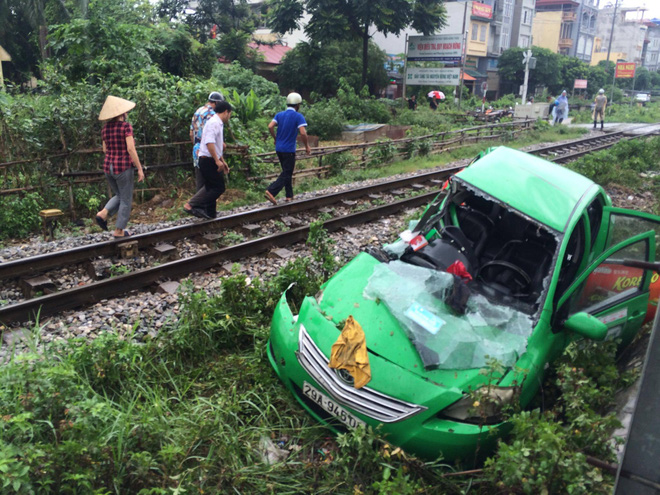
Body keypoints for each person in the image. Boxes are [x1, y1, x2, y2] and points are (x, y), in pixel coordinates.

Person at [95, 96, 145, 238]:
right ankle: (119, 230)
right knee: (126, 199)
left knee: (119, 195)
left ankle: (103, 214)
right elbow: (131, 149)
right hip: (123, 167)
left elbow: (105, 149)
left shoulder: (105, 129)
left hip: (108, 167)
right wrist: (139, 168)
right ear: (121, 113)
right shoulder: (126, 127)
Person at [184, 100, 233, 219]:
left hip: (210, 158)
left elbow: (217, 144)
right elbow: (209, 142)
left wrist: (222, 160)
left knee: (211, 186)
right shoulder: (214, 123)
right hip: (208, 159)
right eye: (230, 114)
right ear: (226, 112)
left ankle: (210, 214)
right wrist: (217, 160)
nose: (229, 117)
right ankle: (192, 204)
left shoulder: (218, 123)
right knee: (218, 187)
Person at [264, 92, 311, 205]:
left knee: (286, 171)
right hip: (289, 149)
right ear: (297, 105)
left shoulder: (279, 115)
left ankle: (289, 195)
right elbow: (303, 133)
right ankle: (271, 191)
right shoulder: (298, 116)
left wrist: (275, 137)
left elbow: (270, 126)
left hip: (279, 148)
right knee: (287, 172)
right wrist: (307, 146)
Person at [190, 91, 225, 191]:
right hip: (208, 152)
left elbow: (191, 133)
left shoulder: (198, 111)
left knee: (200, 182)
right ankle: (197, 204)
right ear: (216, 103)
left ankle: (198, 205)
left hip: (197, 150)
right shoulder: (212, 115)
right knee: (211, 184)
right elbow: (211, 138)